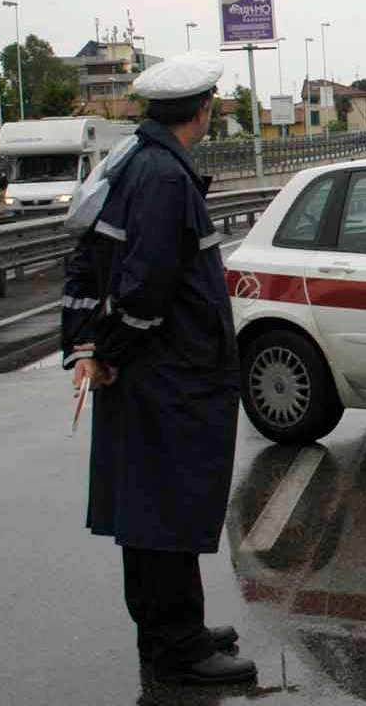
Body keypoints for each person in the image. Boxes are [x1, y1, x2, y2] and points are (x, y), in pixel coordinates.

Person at [60, 54, 255, 685]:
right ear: (202, 111)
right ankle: (179, 647)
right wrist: (109, 352)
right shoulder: (166, 179)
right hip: (170, 375)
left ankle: (169, 629)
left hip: (148, 372)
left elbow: (84, 259)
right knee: (169, 509)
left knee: (149, 510)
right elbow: (147, 290)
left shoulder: (129, 163)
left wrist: (90, 346)